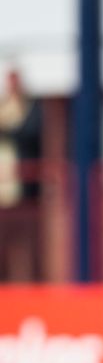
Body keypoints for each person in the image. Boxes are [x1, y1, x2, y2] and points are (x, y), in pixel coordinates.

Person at [0, 67, 43, 281]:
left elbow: (30, 133)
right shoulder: (4, 106)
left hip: (25, 195)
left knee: (28, 249)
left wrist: (8, 130)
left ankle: (31, 288)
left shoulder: (31, 107)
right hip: (4, 194)